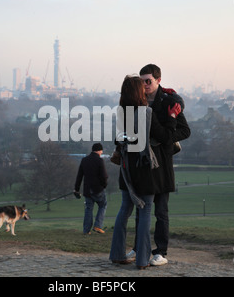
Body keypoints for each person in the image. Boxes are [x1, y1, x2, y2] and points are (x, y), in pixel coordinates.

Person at [109, 75, 179, 269]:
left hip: (126, 168)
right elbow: (165, 136)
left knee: (124, 210)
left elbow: (118, 140)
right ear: (139, 92)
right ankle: (141, 260)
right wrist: (172, 118)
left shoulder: (121, 112)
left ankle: (116, 254)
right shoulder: (146, 112)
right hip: (145, 170)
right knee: (146, 211)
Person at [127, 64, 191, 266]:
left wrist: (167, 139)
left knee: (161, 211)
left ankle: (161, 251)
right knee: (141, 208)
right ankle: (139, 247)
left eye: (148, 81)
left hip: (162, 161)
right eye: (142, 80)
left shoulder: (169, 101)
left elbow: (185, 131)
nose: (145, 84)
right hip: (142, 161)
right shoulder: (138, 100)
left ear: (158, 80)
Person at [74, 143, 108, 234]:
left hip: (87, 190)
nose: (101, 152)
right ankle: (97, 226)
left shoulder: (84, 160)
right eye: (101, 151)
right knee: (103, 205)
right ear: (98, 150)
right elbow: (104, 176)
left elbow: (79, 176)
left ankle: (86, 230)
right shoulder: (100, 161)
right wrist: (104, 185)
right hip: (98, 189)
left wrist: (76, 189)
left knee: (89, 209)